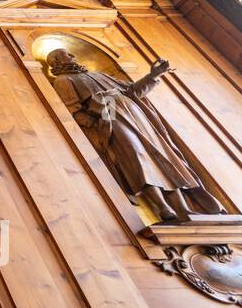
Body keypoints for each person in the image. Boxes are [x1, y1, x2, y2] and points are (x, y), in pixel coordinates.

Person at [47, 48, 227, 222]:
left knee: (161, 157)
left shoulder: (98, 74)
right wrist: (99, 123)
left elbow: (132, 91)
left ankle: (183, 208)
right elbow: (74, 110)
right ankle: (162, 207)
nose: (71, 55)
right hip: (109, 114)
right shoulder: (63, 80)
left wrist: (153, 75)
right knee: (135, 156)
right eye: (66, 54)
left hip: (136, 114)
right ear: (56, 61)